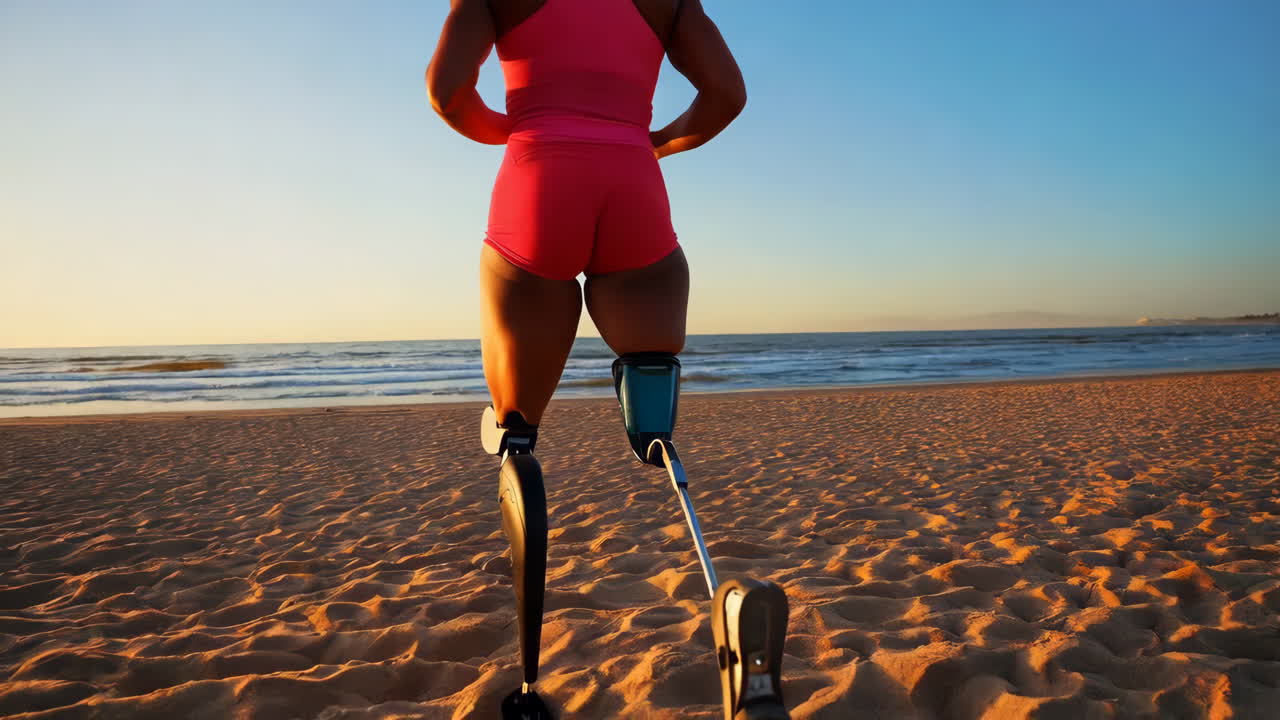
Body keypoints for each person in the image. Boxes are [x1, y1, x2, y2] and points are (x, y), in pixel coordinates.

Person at [427, 0, 744, 715]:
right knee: (655, 413)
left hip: (537, 179)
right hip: (635, 184)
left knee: (517, 431)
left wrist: (513, 130)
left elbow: (447, 92)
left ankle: (533, 681)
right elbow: (727, 94)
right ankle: (730, 619)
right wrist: (650, 141)